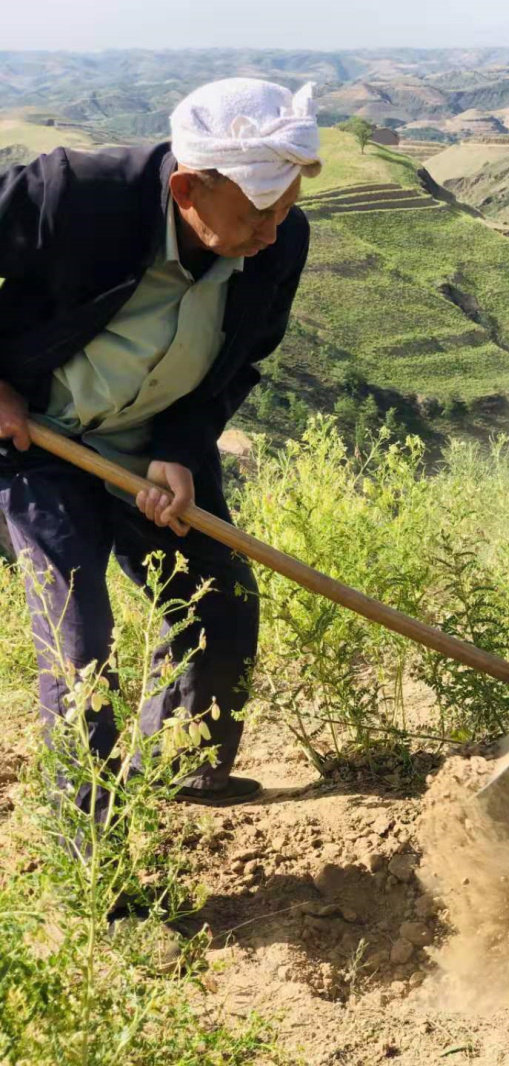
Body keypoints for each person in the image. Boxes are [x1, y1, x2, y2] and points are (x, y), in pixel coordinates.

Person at [0, 77, 322, 811]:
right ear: (186, 188)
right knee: (80, 636)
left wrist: (178, 446)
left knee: (220, 601)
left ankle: (186, 776)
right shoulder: (74, 193)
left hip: (152, 438)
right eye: (256, 212)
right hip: (40, 438)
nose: (272, 231)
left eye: (285, 209)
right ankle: (95, 860)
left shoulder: (280, 243)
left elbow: (243, 357)